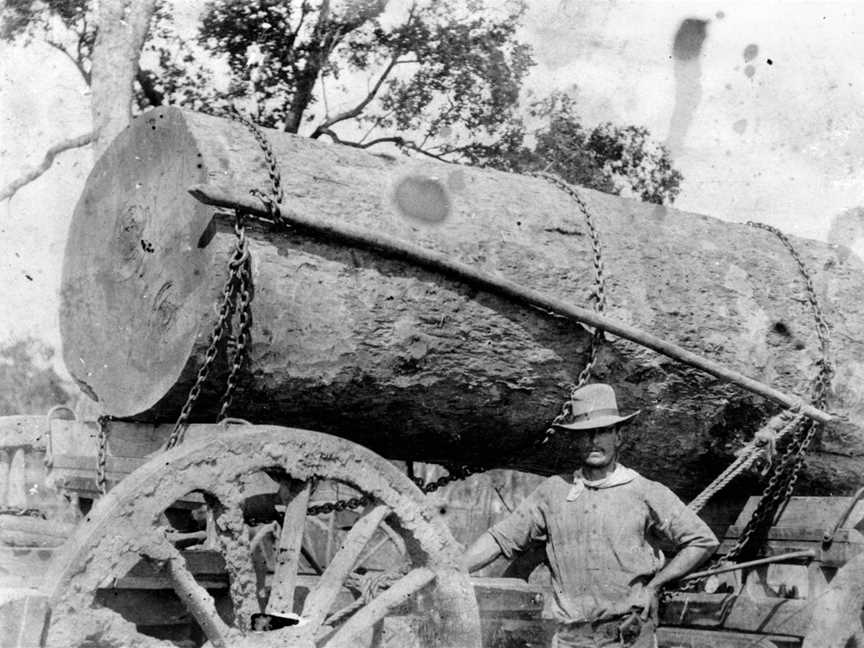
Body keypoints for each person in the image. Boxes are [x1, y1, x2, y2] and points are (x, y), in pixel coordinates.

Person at [462, 383, 719, 648]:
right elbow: (500, 538)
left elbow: (702, 540)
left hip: (628, 636)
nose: (594, 441)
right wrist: (452, 569)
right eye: (585, 434)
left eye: (603, 432)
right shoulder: (553, 492)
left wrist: (655, 586)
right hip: (571, 638)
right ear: (575, 440)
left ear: (618, 436)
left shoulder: (645, 491)